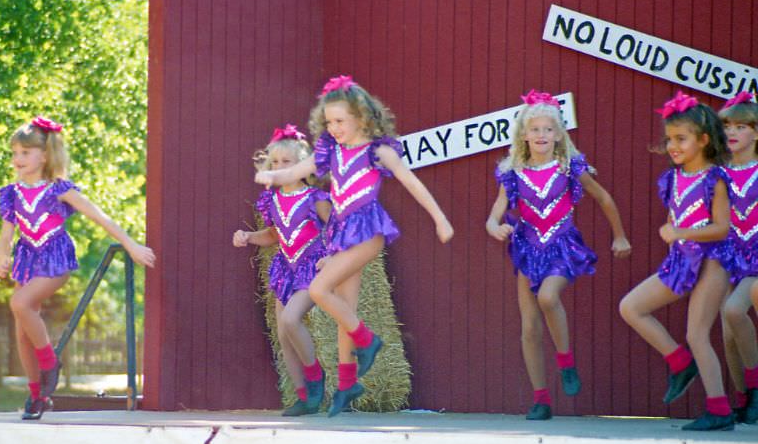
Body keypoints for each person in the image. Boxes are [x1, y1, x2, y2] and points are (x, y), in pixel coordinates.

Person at [256, 75, 453, 416]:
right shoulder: (330, 153)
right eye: (328, 122)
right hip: (339, 235)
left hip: (367, 230)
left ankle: (367, 340)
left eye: (340, 121)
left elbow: (412, 182)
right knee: (343, 305)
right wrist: (273, 176)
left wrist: (440, 218)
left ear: (361, 117)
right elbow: (295, 171)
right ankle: (348, 385)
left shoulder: (379, 151)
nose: (333, 128)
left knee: (318, 291)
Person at [0, 116, 155, 420]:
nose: (17, 159)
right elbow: (6, 234)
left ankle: (50, 362)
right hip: (27, 261)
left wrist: (132, 245)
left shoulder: (59, 190)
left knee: (19, 303)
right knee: (21, 329)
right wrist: (2, 257)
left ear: (44, 155)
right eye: (14, 153)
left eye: (25, 152)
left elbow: (101, 218)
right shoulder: (12, 194)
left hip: (55, 260)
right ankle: (37, 396)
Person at [486, 90, 631, 421]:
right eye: (535, 129)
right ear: (524, 134)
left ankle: (565, 362)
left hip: (561, 245)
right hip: (527, 248)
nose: (541, 135)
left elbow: (604, 198)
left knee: (549, 297)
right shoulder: (513, 172)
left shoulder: (568, 167)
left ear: (559, 134)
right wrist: (493, 225)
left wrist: (620, 236)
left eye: (548, 130)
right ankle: (540, 398)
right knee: (529, 327)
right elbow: (497, 210)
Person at [620, 91, 735, 431]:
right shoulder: (673, 177)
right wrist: (678, 237)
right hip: (682, 260)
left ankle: (719, 410)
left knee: (697, 333)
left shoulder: (716, 179)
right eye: (669, 139)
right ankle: (680, 362)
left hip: (713, 261)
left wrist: (681, 231)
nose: (672, 145)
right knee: (631, 307)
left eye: (681, 139)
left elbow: (722, 228)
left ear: (703, 140)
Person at [233, 124, 330, 416]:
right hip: (285, 268)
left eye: (286, 162)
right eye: (274, 163)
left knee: (290, 319)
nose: (279, 168)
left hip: (312, 267)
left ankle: (316, 376)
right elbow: (273, 235)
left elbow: (335, 229)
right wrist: (250, 237)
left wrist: (334, 258)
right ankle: (303, 397)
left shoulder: (316, 198)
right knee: (284, 334)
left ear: (303, 164)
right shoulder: (272, 201)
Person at [718, 91, 758, 424]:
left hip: (756, 258)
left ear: (756, 132)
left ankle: (756, 390)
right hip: (727, 258)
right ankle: (742, 398)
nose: (733, 132)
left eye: (742, 126)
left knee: (734, 311)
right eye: (727, 125)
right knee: (728, 332)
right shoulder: (718, 172)